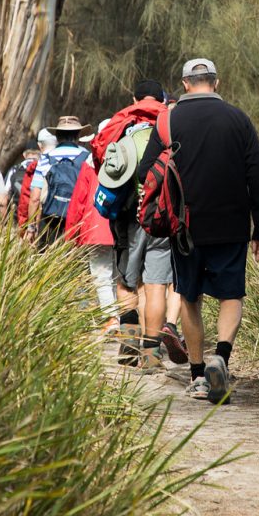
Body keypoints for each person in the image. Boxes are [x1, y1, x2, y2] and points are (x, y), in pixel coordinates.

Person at [138, 58, 259, 404]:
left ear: (184, 84)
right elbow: (256, 177)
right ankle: (221, 358)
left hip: (185, 226)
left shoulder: (168, 120)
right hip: (232, 224)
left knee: (189, 297)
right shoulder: (239, 120)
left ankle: (198, 376)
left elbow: (144, 173)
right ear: (216, 81)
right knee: (231, 295)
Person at [97, 81, 179, 372]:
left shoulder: (120, 121)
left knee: (125, 279)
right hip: (160, 214)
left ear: (134, 98)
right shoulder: (171, 121)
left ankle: (128, 342)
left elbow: (102, 163)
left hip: (127, 215)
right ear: (162, 98)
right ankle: (151, 353)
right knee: (156, 284)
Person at [65, 149, 118, 333]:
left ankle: (111, 318)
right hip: (122, 226)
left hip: (96, 228)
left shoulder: (90, 162)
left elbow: (79, 200)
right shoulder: (127, 156)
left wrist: (70, 235)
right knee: (121, 275)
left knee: (102, 275)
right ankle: (124, 318)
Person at [26, 116, 90, 247]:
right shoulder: (87, 158)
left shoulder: (46, 158)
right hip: (78, 222)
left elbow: (35, 198)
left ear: (57, 136)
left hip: (49, 221)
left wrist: (31, 228)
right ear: (78, 136)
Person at [18, 129, 57, 229]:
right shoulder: (75, 159)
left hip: (43, 219)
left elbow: (33, 198)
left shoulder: (41, 164)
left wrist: (29, 226)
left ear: (40, 146)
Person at [2, 136, 41, 221]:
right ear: (40, 154)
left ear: (24, 155)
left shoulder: (14, 170)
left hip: (16, 219)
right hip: (36, 220)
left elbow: (4, 196)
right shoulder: (42, 170)